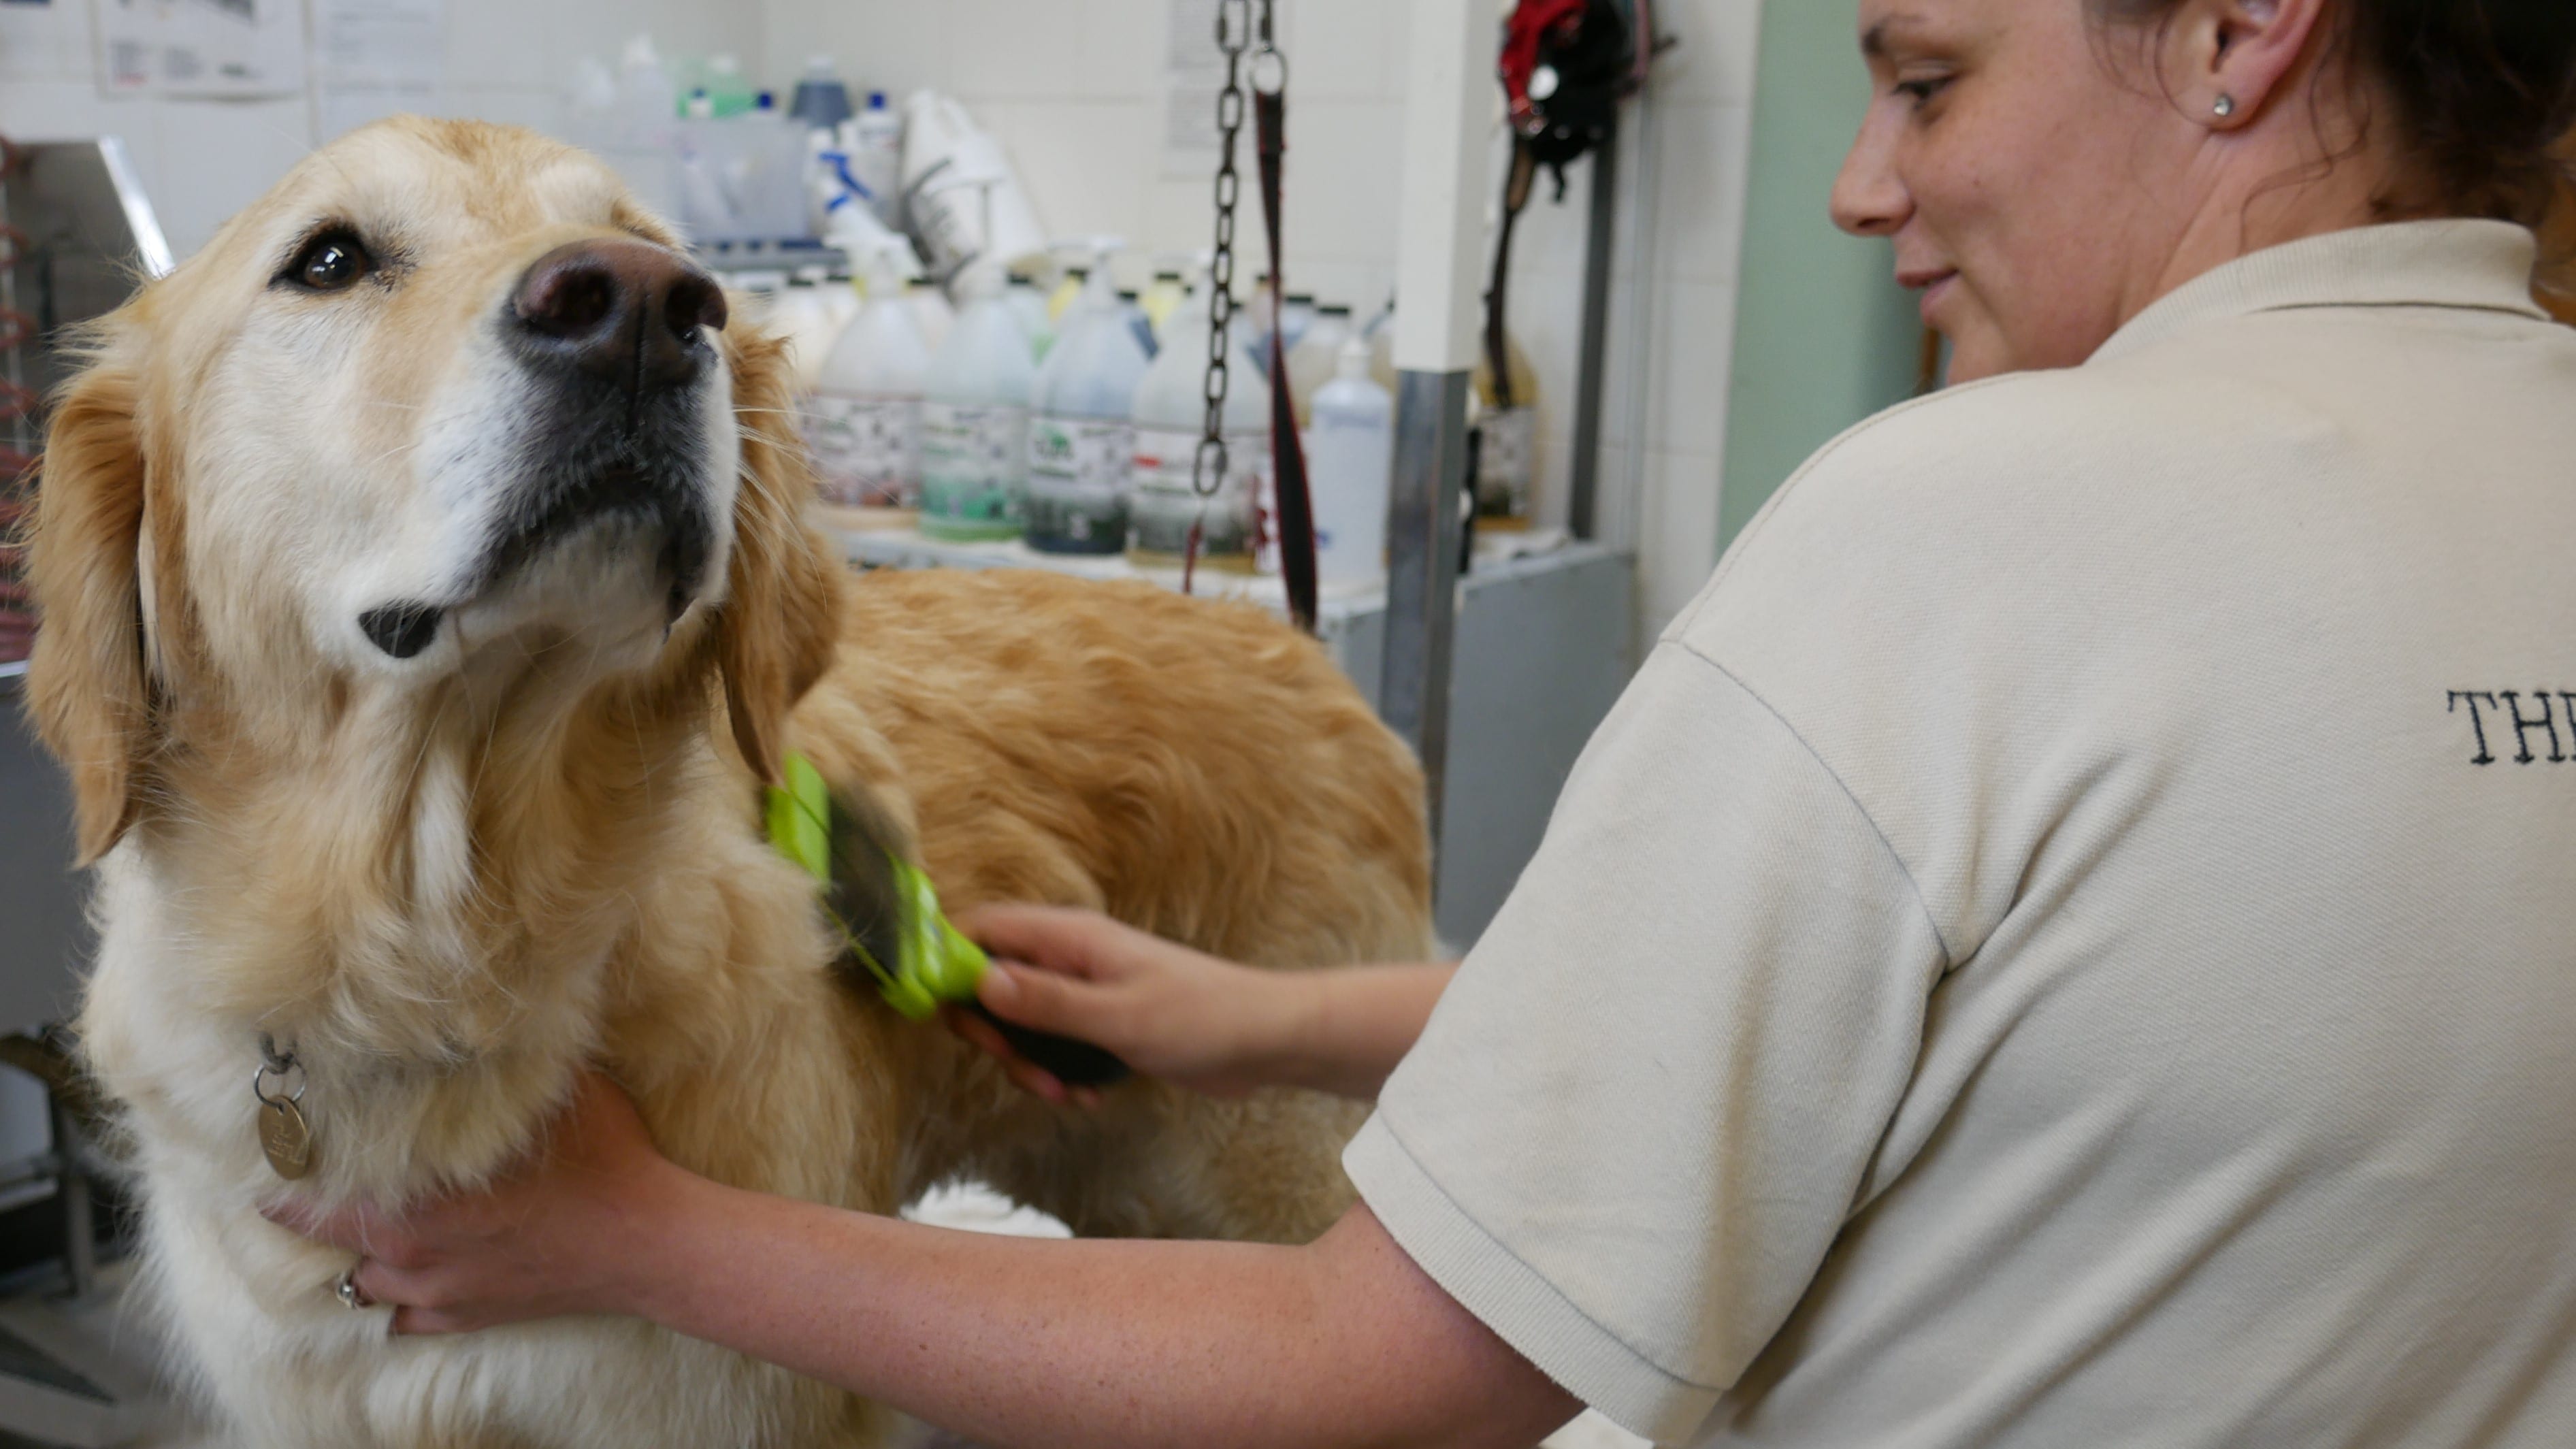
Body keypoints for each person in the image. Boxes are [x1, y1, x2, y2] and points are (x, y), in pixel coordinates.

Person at [273, 1, 2576, 1444]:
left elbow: (1382, 1377)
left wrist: (641, 1237)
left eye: (1923, 75)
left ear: (2241, 32)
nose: (1870, 180)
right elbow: (2057, 1020)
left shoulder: (1974, 520)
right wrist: (1277, 1019)